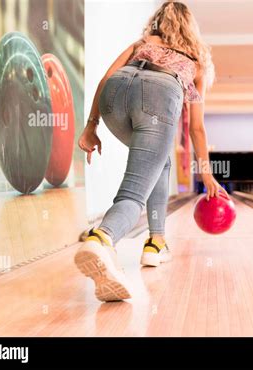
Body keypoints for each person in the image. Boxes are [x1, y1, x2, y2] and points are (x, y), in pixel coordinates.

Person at [75, 1, 227, 302]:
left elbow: (106, 78)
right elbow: (196, 128)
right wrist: (207, 176)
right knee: (134, 194)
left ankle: (156, 242)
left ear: (158, 21)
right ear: (190, 27)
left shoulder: (143, 43)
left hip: (115, 97)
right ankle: (102, 237)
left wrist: (91, 126)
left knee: (161, 163)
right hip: (157, 98)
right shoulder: (195, 61)